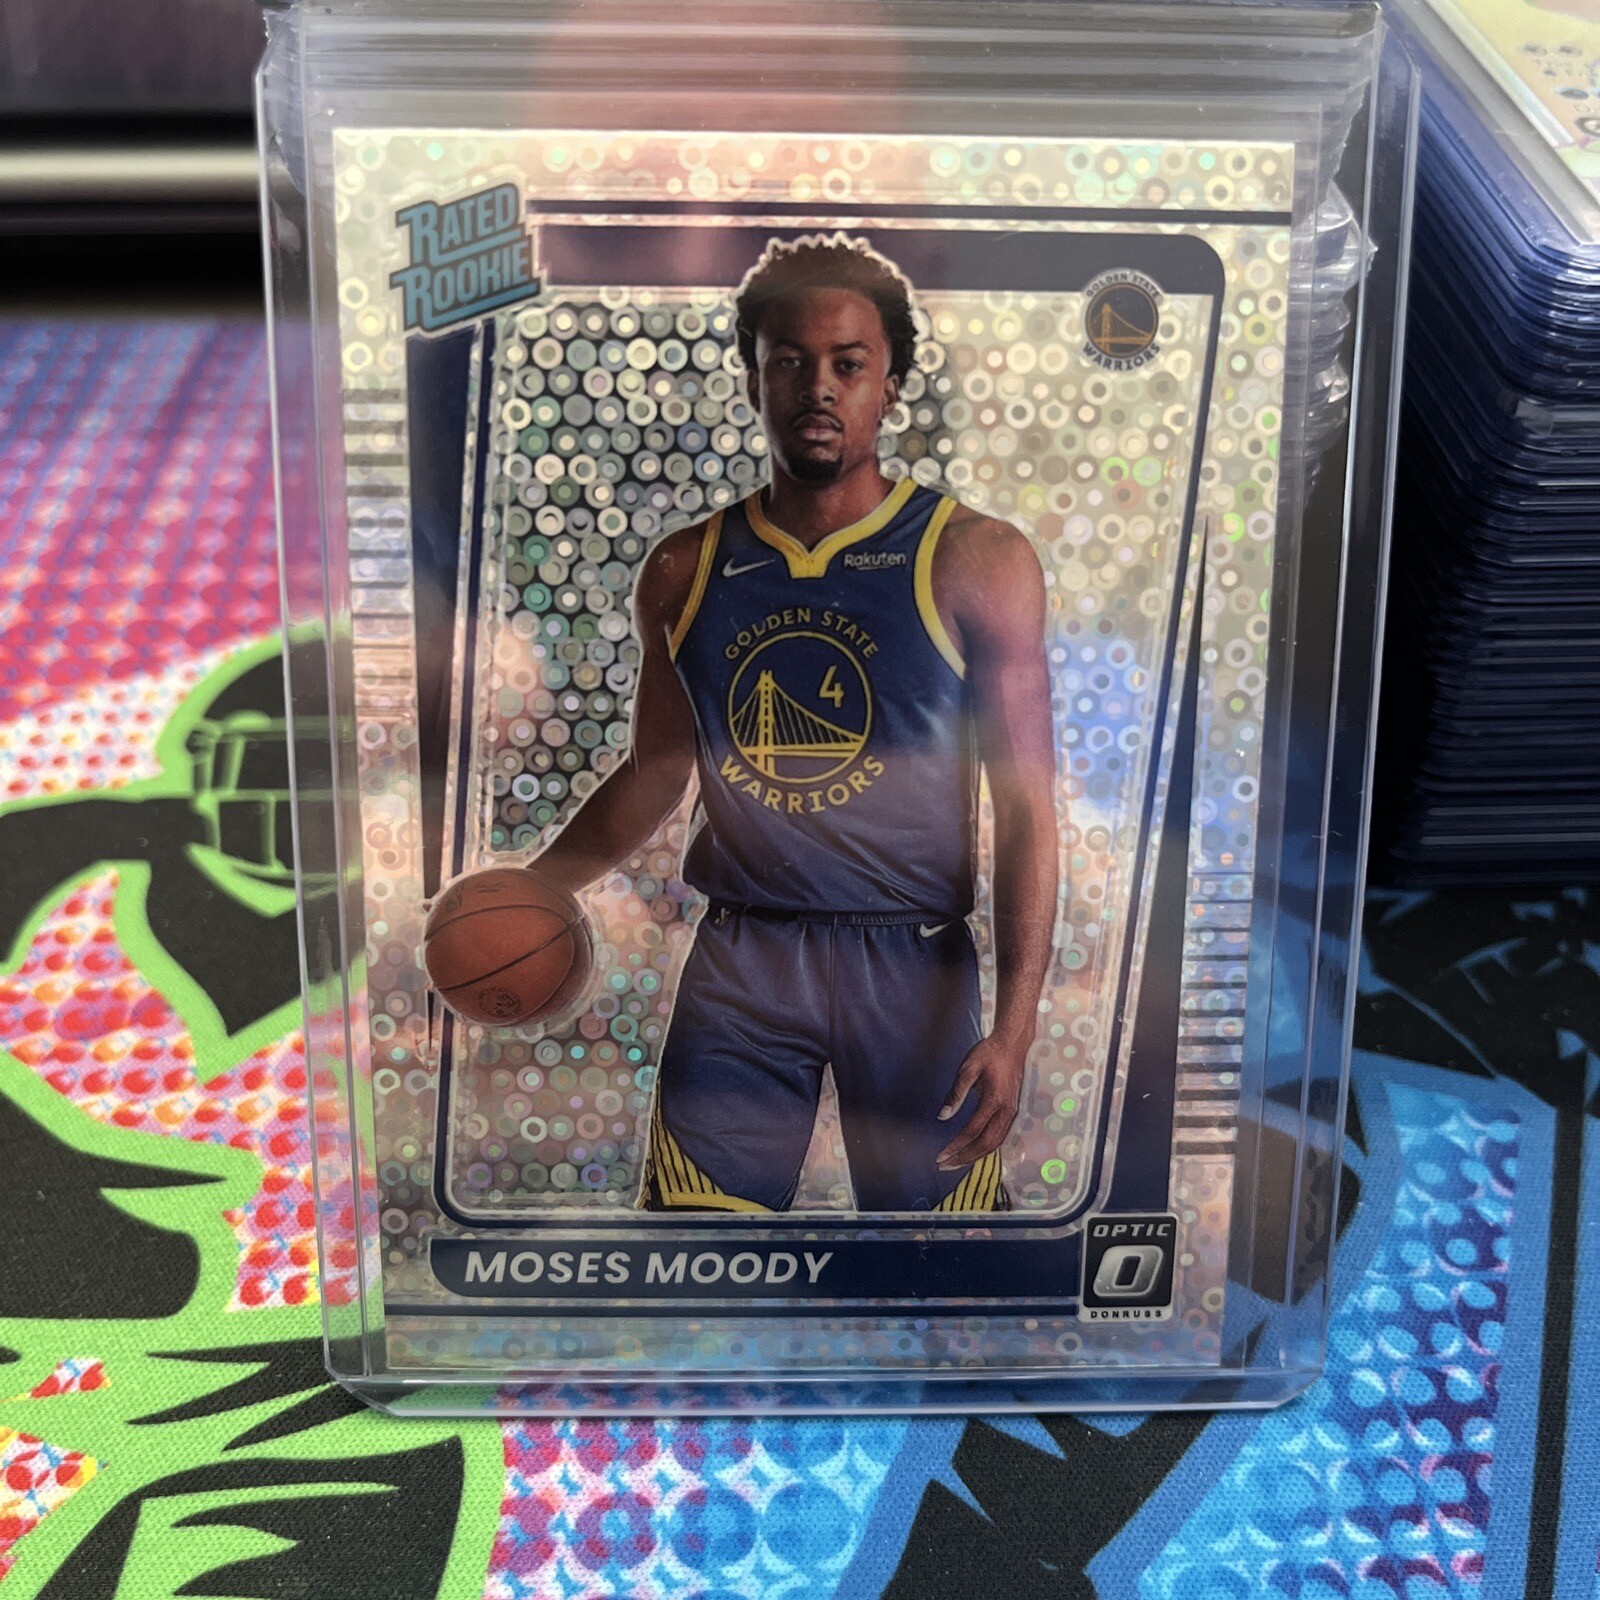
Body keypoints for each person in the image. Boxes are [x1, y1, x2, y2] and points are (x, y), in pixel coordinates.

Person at [524, 234, 1058, 1213]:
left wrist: (1018, 1029)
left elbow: (1025, 808)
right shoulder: (685, 568)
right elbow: (655, 773)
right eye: (789, 362)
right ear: (754, 380)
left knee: (943, 1271)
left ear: (889, 385)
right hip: (745, 961)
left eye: (848, 364)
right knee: (698, 1264)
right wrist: (533, 885)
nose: (819, 387)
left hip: (914, 963)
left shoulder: (977, 558)